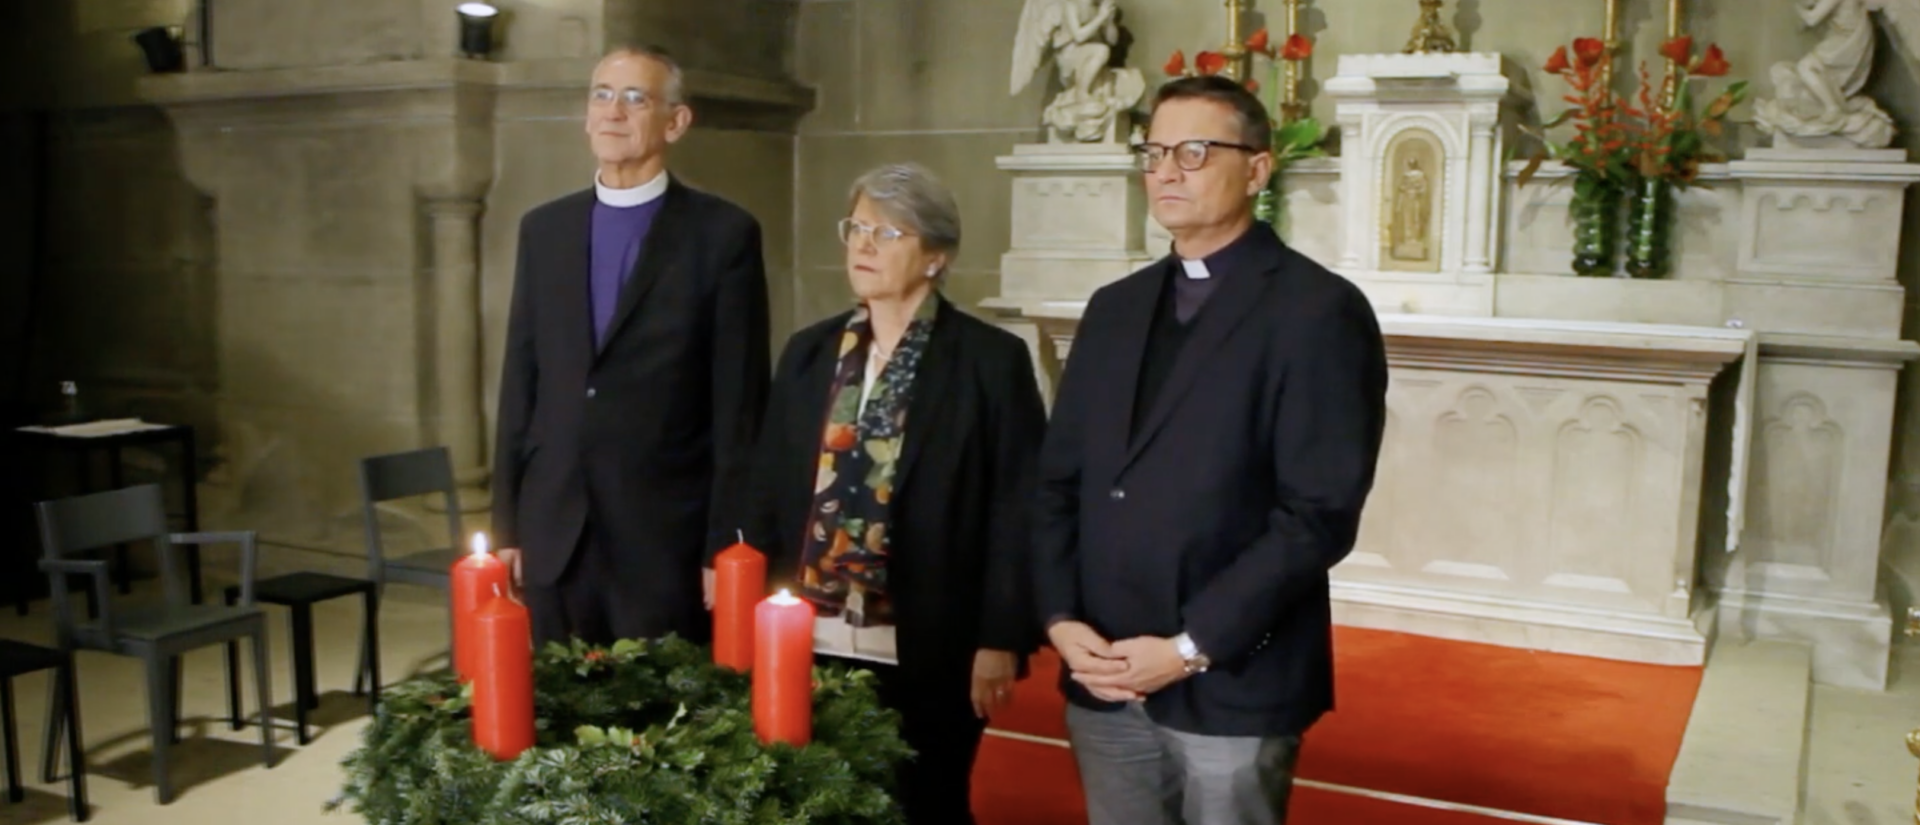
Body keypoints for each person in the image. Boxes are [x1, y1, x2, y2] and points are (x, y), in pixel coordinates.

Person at [1032, 75, 1389, 825]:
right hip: (1103, 667)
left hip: (1233, 674)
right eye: (1155, 151)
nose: (1166, 170)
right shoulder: (1114, 308)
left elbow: (1317, 513)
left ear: (1257, 168)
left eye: (1194, 151)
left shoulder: (1317, 311)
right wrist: (1063, 619)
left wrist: (1190, 646)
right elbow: (1058, 482)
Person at [745, 163, 1045, 824]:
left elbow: (1018, 511)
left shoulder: (990, 362)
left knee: (925, 803)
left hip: (932, 637)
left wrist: (1000, 637)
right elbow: (767, 485)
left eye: (888, 231)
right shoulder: (808, 353)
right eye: (856, 226)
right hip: (811, 630)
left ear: (935, 255)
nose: (863, 245)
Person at [492, 45, 771, 648]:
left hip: (662, 535)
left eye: (635, 98)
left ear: (676, 122)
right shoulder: (544, 230)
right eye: (601, 95)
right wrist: (507, 526)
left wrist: (727, 543)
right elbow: (521, 381)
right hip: (554, 530)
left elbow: (739, 407)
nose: (613, 112)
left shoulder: (723, 236)